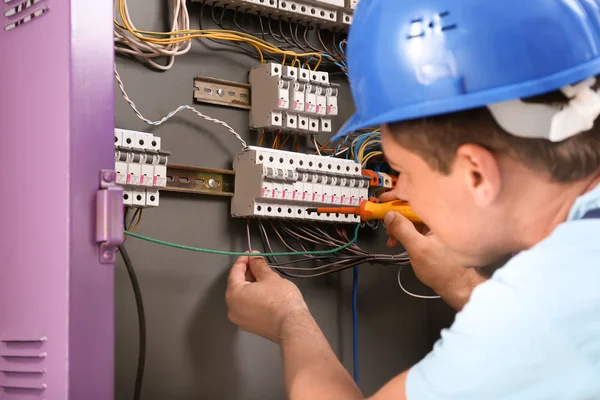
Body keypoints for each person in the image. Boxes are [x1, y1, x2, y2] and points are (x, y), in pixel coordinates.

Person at [226, 1, 600, 399]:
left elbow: (537, 333)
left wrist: (289, 320)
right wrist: (458, 282)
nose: (398, 191)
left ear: (476, 173)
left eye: (403, 170)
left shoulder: (536, 318)